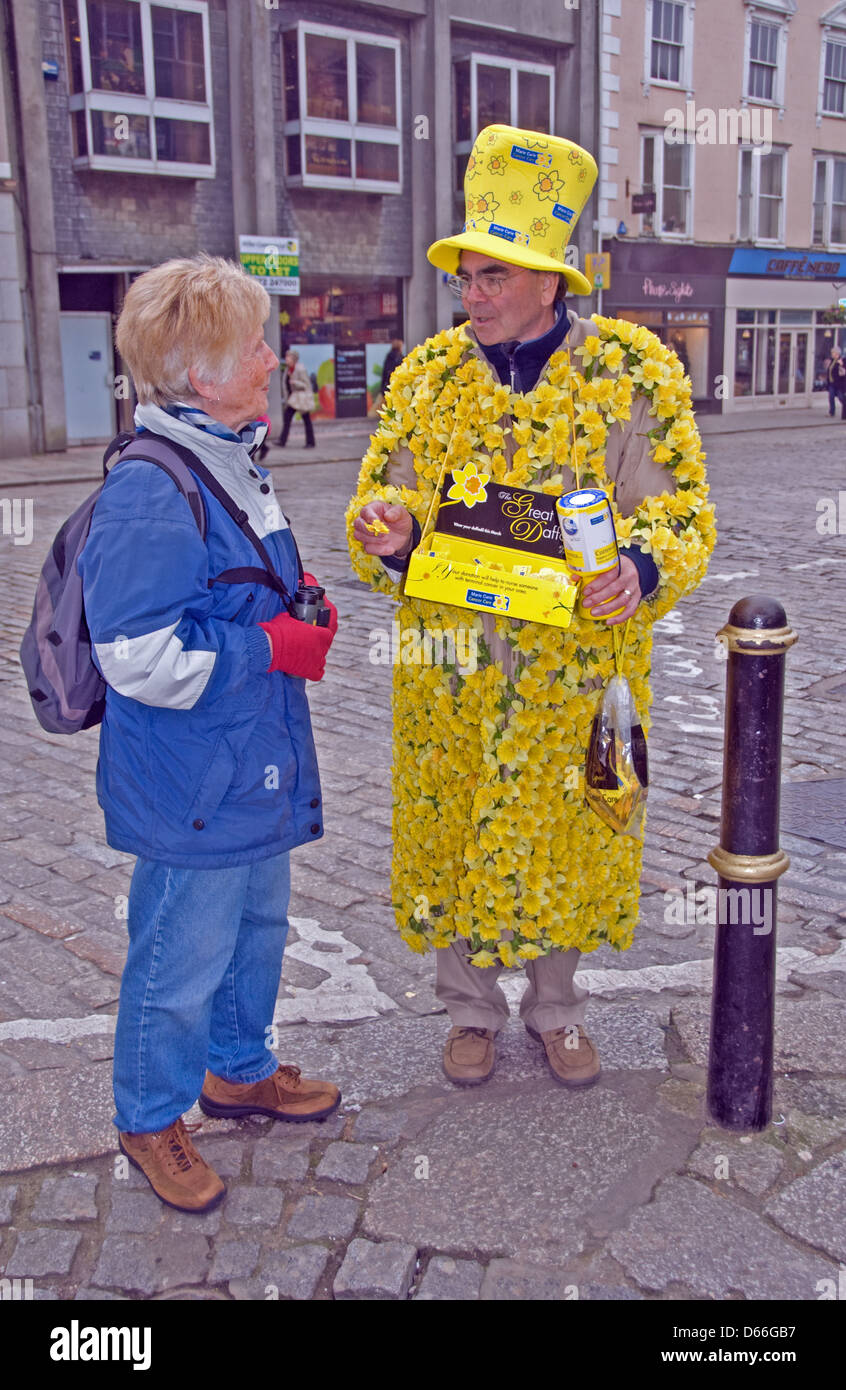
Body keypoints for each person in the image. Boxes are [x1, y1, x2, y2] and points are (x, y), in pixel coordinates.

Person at [348, 125, 715, 1090]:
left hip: (589, 668)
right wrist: (386, 533)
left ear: (550, 280)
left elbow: (684, 511)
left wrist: (640, 564)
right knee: (453, 818)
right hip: (453, 669)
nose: (471, 296)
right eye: (466, 277)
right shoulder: (424, 379)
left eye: (491, 278)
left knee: (580, 822)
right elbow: (378, 502)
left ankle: (558, 1009)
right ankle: (468, 1009)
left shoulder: (636, 374)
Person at [78, 255, 341, 1214]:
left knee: (256, 931)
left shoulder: (229, 452)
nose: (274, 359)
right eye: (255, 345)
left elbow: (242, 591)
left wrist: (299, 612)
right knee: (179, 954)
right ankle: (150, 1118)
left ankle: (238, 1071)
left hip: (248, 765)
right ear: (199, 374)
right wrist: (270, 646)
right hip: (197, 778)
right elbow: (137, 655)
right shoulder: (153, 486)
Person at [278, 348, 316, 447]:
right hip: (293, 399)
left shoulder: (300, 369)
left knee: (306, 420)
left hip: (300, 399)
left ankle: (310, 442)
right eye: (286, 356)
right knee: (287, 418)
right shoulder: (287, 370)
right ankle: (282, 441)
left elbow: (306, 384)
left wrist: (295, 383)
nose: (286, 359)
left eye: (288, 357)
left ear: (294, 359)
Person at [823, 343, 846, 418]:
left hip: (839, 384)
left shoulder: (841, 360)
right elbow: (829, 370)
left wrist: (841, 365)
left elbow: (843, 372)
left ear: (837, 353)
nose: (832, 354)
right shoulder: (832, 361)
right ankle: (831, 412)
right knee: (831, 397)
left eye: (833, 352)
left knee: (841, 398)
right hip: (831, 383)